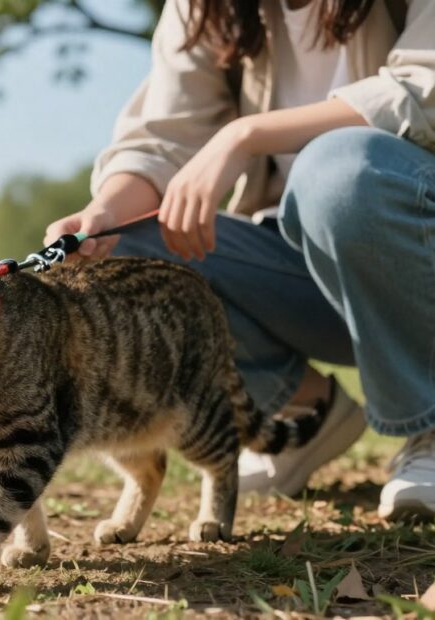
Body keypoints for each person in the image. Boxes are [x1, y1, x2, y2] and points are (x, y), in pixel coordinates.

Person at [45, 0, 435, 519]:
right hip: (306, 265)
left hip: (415, 251)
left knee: (338, 173)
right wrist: (103, 215)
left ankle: (429, 426)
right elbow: (165, 139)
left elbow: (423, 88)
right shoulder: (206, 8)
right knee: (128, 247)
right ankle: (302, 409)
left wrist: (246, 135)